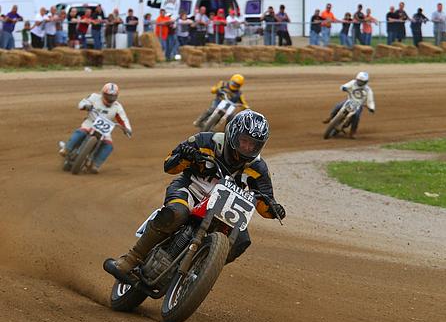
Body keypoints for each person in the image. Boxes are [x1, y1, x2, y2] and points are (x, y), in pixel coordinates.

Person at [104, 109, 286, 281]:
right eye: (244, 141)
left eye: (253, 144)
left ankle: (201, 269)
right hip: (190, 190)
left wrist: (274, 209)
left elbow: (266, 201)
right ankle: (130, 259)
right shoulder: (207, 141)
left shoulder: (259, 167)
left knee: (242, 240)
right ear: (233, 134)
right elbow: (169, 165)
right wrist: (187, 156)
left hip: (224, 207)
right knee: (177, 213)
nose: (247, 147)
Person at [58, 83, 132, 173]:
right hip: (90, 122)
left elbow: (124, 119)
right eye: (108, 96)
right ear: (103, 94)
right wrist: (85, 106)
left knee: (108, 145)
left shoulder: (117, 106)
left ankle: (95, 164)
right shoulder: (94, 97)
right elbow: (82, 103)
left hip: (105, 129)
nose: (110, 99)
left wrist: (127, 129)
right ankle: (66, 149)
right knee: (81, 131)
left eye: (113, 96)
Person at [323, 71, 375, 138]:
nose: (360, 83)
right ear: (357, 79)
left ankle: (352, 132)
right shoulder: (353, 82)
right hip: (350, 101)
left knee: (356, 116)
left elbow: (370, 100)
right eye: (359, 81)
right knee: (338, 105)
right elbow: (345, 86)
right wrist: (344, 88)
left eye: (362, 82)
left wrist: (371, 108)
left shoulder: (368, 90)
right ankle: (330, 117)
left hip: (359, 105)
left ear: (366, 82)